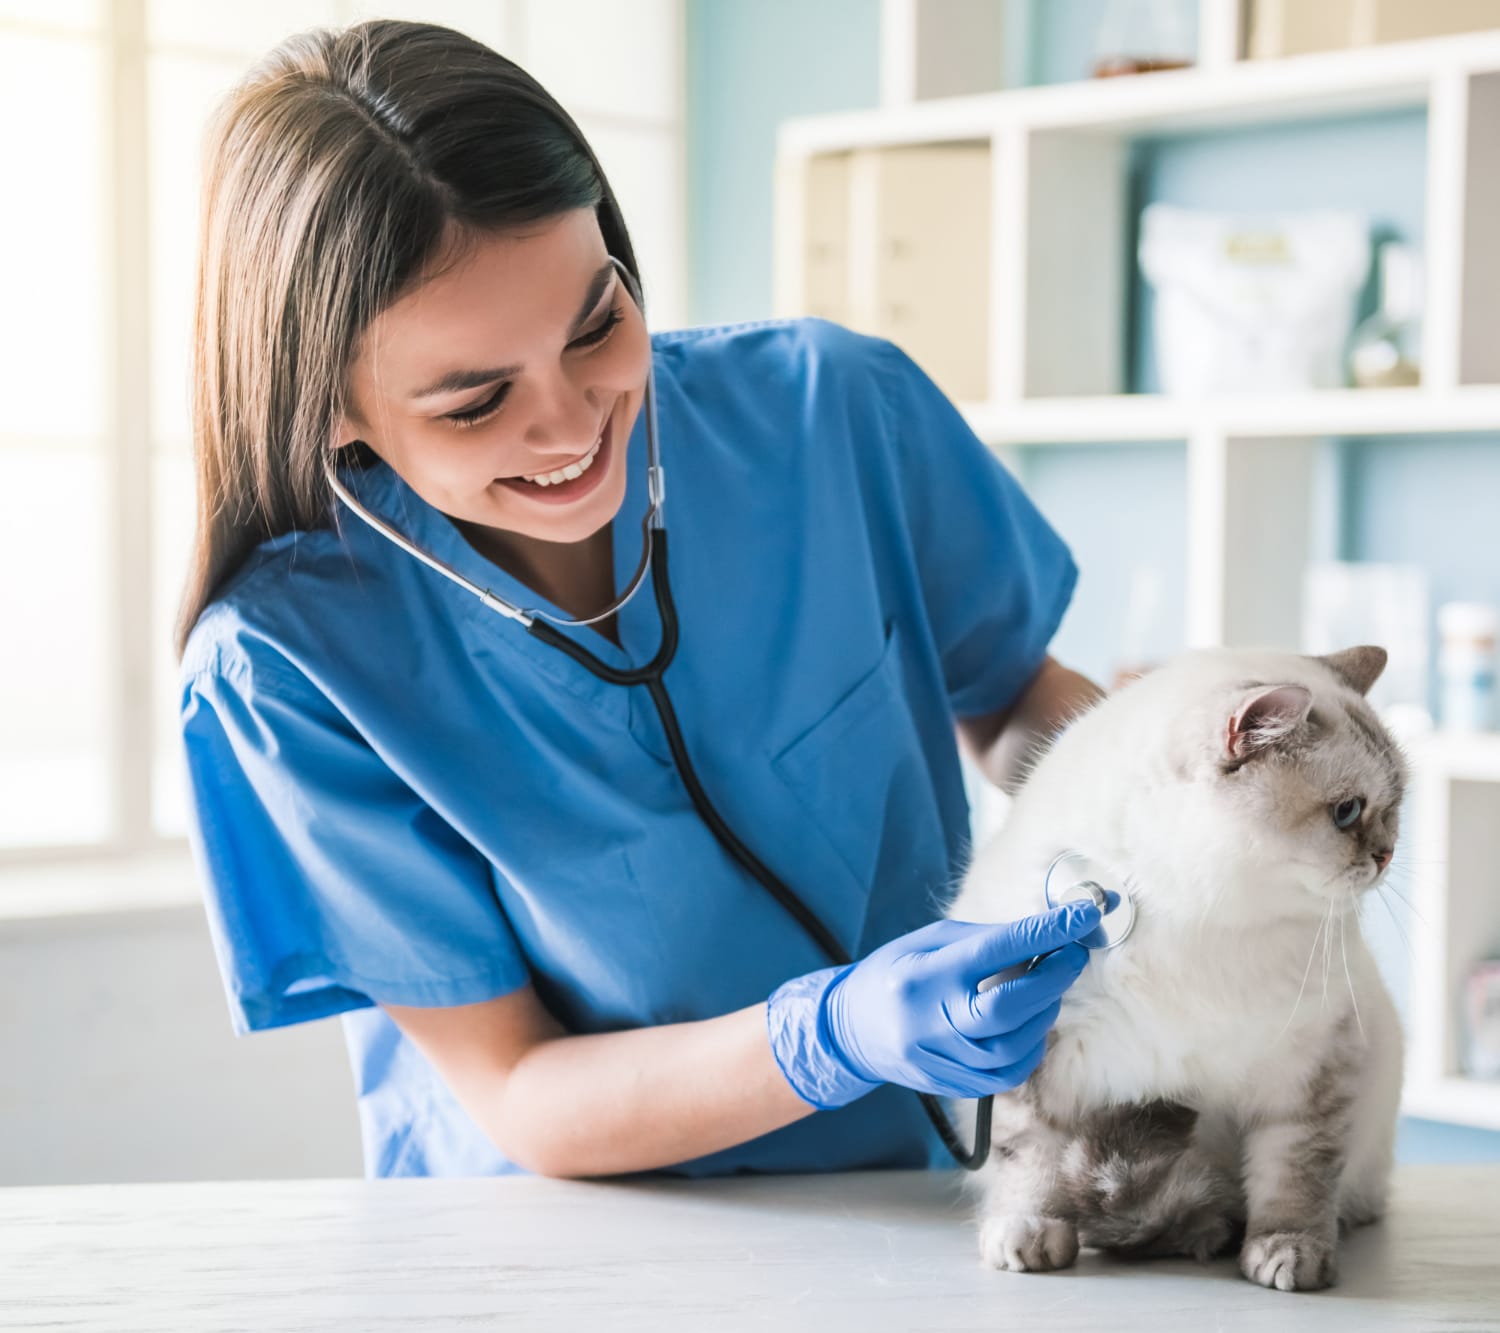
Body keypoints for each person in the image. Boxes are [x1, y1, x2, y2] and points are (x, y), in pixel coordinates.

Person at [175, 19, 1105, 1182]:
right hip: (568, 1258)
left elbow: (1018, 703)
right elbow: (514, 1087)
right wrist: (829, 1036)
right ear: (333, 410)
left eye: (597, 324)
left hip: (911, 1197)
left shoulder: (833, 413)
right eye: (475, 403)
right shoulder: (284, 668)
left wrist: (1153, 797)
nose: (571, 426)